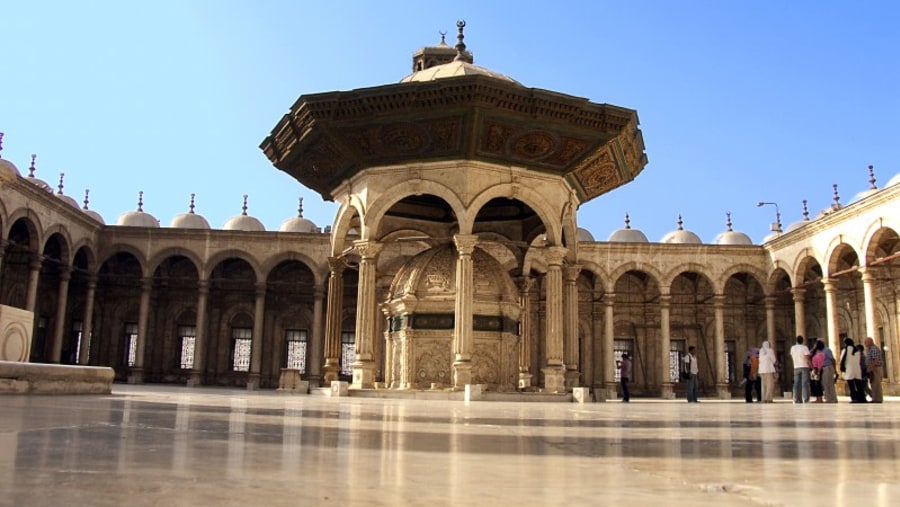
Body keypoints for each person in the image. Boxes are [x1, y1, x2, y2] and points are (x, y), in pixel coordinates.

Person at [840, 338, 866, 403]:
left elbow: (842, 359)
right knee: (859, 385)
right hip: (857, 369)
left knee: (851, 386)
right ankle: (862, 398)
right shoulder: (857, 350)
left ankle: (854, 398)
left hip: (849, 369)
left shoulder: (845, 350)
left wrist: (842, 368)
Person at [790, 335, 811, 403]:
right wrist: (810, 364)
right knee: (805, 383)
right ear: (802, 341)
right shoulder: (804, 347)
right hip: (804, 366)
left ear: (796, 341)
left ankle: (796, 399)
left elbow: (792, 355)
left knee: (796, 384)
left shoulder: (793, 348)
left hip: (796, 367)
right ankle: (806, 399)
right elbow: (807, 357)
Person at [864, 337, 884, 403]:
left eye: (866, 342)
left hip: (875, 368)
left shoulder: (874, 349)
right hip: (873, 368)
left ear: (870, 342)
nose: (865, 344)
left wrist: (870, 368)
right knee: (873, 384)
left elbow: (875, 360)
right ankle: (875, 398)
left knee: (876, 384)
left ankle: (877, 399)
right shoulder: (870, 349)